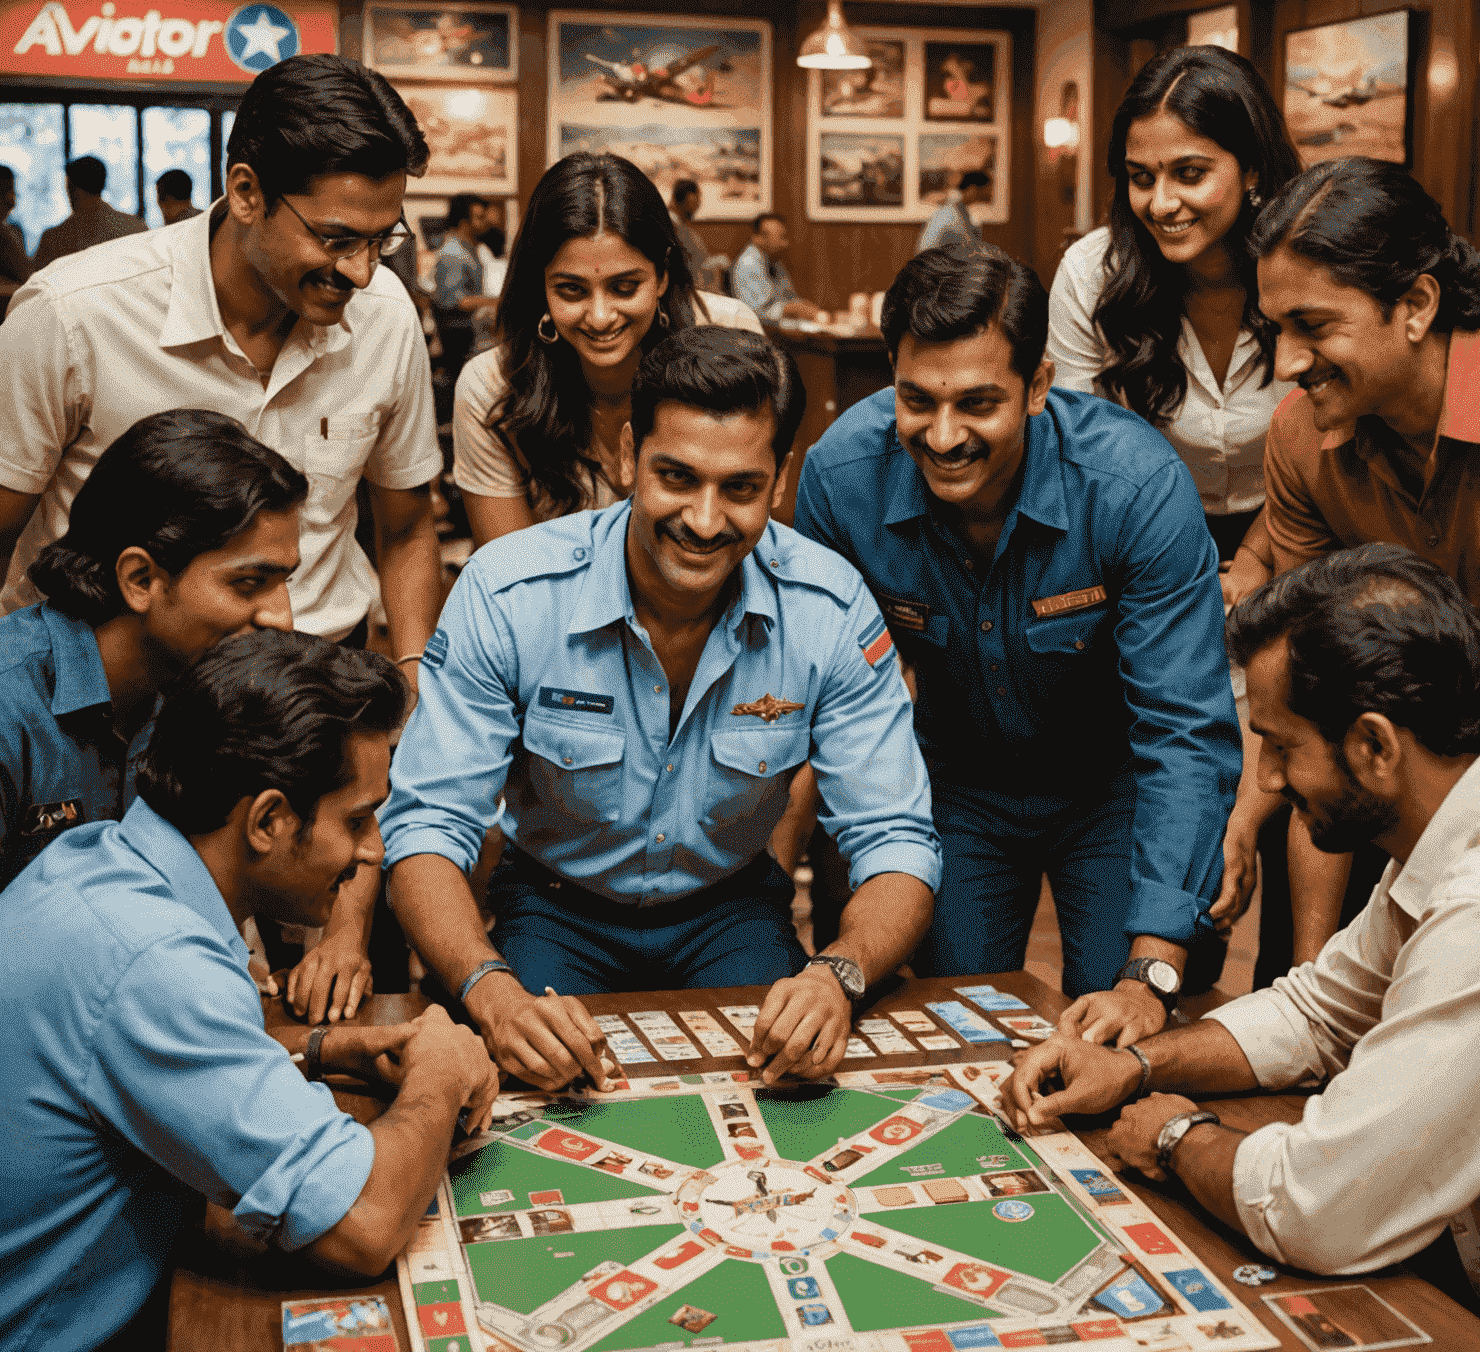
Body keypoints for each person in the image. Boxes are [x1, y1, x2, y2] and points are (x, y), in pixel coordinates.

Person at [385, 326, 941, 1092]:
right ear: (625, 458)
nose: (705, 520)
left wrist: (836, 975)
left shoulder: (831, 608)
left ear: (780, 482)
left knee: (787, 1098)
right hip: (555, 908)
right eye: (676, 477)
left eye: (740, 488)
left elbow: (897, 841)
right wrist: (493, 992)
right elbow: (424, 827)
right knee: (535, 1086)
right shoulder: (507, 593)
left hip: (731, 910)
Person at [1003, 545, 1480, 1343]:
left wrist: (1177, 1136)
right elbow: (1318, 1012)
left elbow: (1322, 1209)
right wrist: (1137, 1063)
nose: (1271, 781)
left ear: (1376, 747)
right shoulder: (1456, 829)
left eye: (1282, 746)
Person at [0, 631, 499, 1352]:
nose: (373, 850)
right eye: (357, 820)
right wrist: (440, 1072)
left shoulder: (104, 864)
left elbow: (131, 1055)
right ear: (268, 821)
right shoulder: (156, 959)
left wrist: (329, 1046)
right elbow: (362, 1225)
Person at [796, 242, 1240, 1043]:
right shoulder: (841, 479)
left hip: (1115, 788)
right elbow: (822, 703)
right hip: (955, 784)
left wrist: (1151, 969)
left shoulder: (1135, 486)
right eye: (916, 399)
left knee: (1119, 1025)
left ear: (1038, 387)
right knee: (954, 1027)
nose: (941, 435)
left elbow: (1185, 731)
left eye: (976, 403)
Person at [0, 54, 444, 679]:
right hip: (114, 689)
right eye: (336, 239)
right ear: (245, 193)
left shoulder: (384, 313)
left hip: (314, 676)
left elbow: (404, 527)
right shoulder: (71, 316)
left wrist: (414, 670)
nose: (362, 271)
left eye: (382, 239)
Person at [1047, 45, 1304, 985]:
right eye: (1142, 177)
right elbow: (1089, 461)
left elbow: (1338, 428)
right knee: (1182, 794)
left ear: (1255, 169)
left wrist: (1267, 559)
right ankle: (1178, 979)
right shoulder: (1097, 274)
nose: (1163, 202)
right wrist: (1198, 574)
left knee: (1298, 809)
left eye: (1191, 173)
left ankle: (1294, 1007)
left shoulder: (1305, 260)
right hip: (1143, 555)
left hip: (1302, 547)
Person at [0, 408, 385, 1023]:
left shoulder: (204, 688)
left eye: (284, 581)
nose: (280, 616)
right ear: (140, 578)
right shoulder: (10, 709)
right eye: (249, 582)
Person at [1252, 155, 1480, 965]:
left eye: (1314, 325)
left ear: (1415, 304)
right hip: (1399, 796)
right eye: (1276, 328)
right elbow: (1318, 712)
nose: (1287, 361)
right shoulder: (1299, 441)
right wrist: (1309, 969)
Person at [452, 151, 761, 550]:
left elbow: (738, 527)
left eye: (625, 287)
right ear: (540, 285)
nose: (600, 318)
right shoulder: (493, 387)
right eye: (571, 290)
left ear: (663, 275)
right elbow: (513, 577)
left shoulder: (730, 338)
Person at [31, 154, 147, 270]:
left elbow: (36, 285)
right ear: (102, 184)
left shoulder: (55, 240)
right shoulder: (136, 228)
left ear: (72, 189)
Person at [432, 191, 498, 388]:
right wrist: (495, 300)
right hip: (460, 336)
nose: (485, 222)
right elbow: (455, 301)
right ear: (463, 222)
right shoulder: (454, 254)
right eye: (479, 218)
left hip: (468, 330)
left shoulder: (470, 248)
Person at [731, 212, 821, 325]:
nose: (785, 243)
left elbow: (788, 296)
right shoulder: (748, 264)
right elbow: (758, 311)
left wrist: (804, 307)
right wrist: (794, 309)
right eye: (781, 238)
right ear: (758, 239)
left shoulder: (773, 261)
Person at [917, 168, 989, 255]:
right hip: (933, 263)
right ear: (972, 190)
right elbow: (967, 245)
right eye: (984, 191)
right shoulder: (951, 214)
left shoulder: (960, 210)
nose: (987, 195)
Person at [0, 163, 30, 321]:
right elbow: (25, 276)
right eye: (12, 189)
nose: (15, 195)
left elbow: (25, 275)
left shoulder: (14, 230)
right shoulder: (9, 233)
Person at [669, 177, 710, 280]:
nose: (698, 206)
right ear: (689, 199)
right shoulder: (671, 227)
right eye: (696, 200)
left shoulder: (681, 226)